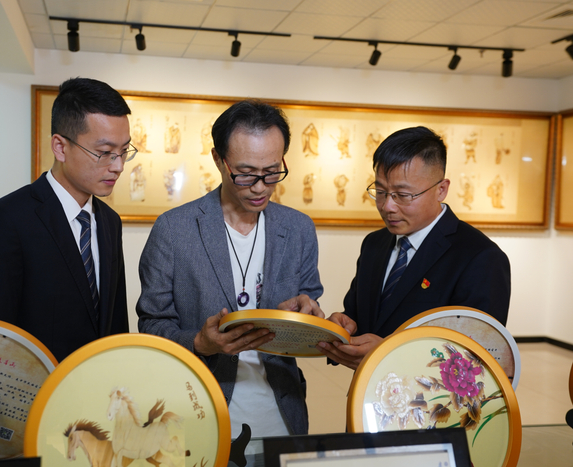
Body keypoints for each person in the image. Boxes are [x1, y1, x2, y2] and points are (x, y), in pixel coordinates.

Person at [137, 100, 324, 438]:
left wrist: (306, 314)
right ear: (218, 159)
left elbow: (309, 304)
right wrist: (199, 342)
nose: (260, 186)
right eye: (246, 173)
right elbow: (152, 326)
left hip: (281, 411)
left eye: (272, 171)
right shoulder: (174, 229)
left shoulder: (298, 228)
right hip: (197, 410)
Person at [0, 77, 135, 362]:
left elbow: (114, 319)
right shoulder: (3, 220)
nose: (118, 166)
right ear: (60, 147)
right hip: (33, 386)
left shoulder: (109, 222)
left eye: (124, 151)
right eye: (104, 153)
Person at [318, 126, 510, 369]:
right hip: (368, 388)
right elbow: (362, 317)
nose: (387, 206)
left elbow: (477, 359)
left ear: (441, 190)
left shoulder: (480, 257)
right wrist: (345, 326)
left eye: (403, 195)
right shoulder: (374, 244)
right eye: (380, 191)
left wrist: (389, 353)